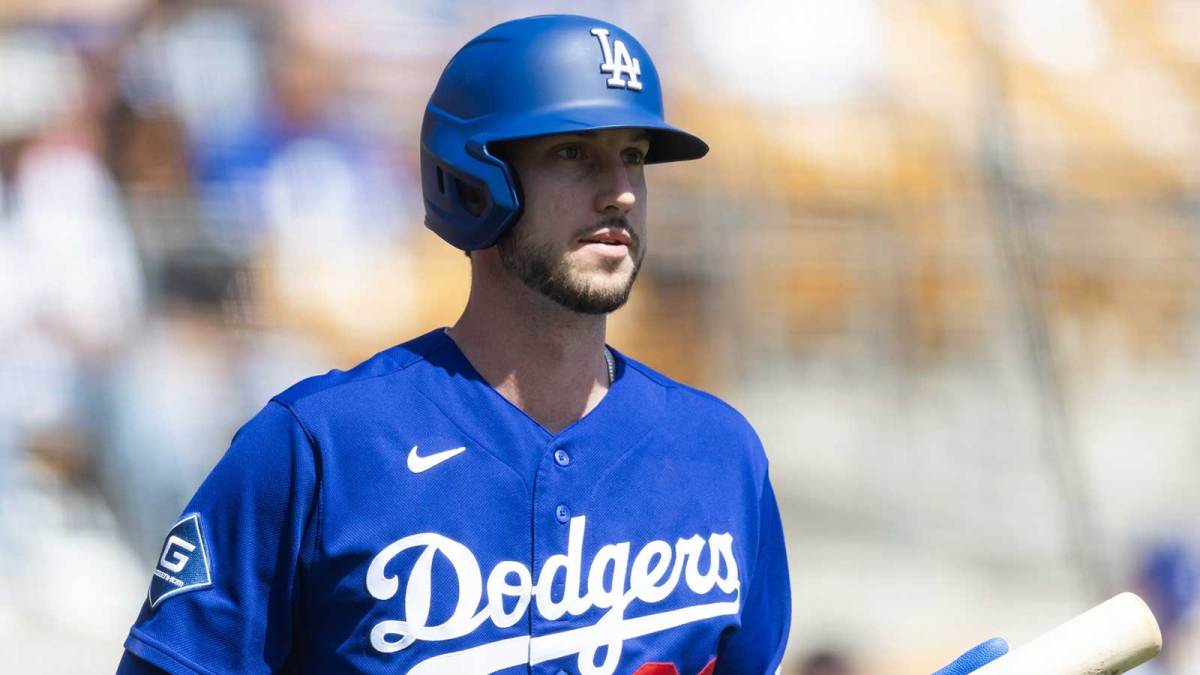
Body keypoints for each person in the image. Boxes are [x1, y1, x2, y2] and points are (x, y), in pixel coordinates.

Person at [116, 15, 1004, 674]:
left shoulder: (717, 452)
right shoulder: (318, 446)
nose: (620, 190)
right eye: (576, 156)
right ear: (476, 180)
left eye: (635, 157)